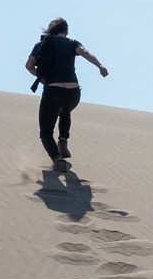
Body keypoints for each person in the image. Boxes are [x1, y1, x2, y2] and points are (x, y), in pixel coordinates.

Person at [26, 18, 108, 171]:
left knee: (46, 132)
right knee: (65, 111)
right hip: (73, 93)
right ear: (66, 31)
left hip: (53, 91)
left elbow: (29, 66)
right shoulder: (72, 43)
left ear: (50, 30)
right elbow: (86, 53)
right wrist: (100, 65)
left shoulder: (41, 45)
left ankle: (57, 159)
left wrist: (43, 79)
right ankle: (63, 140)